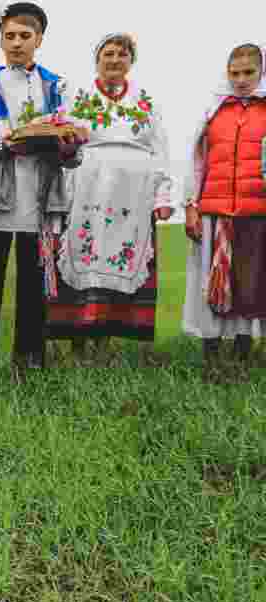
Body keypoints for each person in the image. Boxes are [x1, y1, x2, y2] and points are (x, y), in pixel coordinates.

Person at [0, 1, 84, 376]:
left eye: (24, 36)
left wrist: (66, 145)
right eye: (9, 35)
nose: (16, 43)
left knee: (33, 292)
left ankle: (28, 365)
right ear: (0, 38)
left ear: (39, 39)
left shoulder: (58, 87)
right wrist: (6, 145)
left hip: (41, 203)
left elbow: (75, 156)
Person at [43, 33, 174, 356]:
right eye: (108, 54)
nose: (115, 60)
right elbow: (62, 143)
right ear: (97, 59)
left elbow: (160, 151)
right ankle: (76, 345)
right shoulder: (77, 98)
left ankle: (104, 344)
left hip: (133, 198)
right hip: (86, 193)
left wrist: (163, 196)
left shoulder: (147, 101)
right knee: (81, 260)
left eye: (122, 54)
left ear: (131, 60)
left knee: (119, 261)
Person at [182, 43, 266, 380]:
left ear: (261, 72)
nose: (241, 80)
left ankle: (243, 356)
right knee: (211, 284)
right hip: (214, 212)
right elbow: (197, 163)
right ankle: (211, 358)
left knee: (249, 284)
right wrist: (190, 205)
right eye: (235, 73)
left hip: (256, 213)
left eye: (249, 73)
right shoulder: (213, 111)